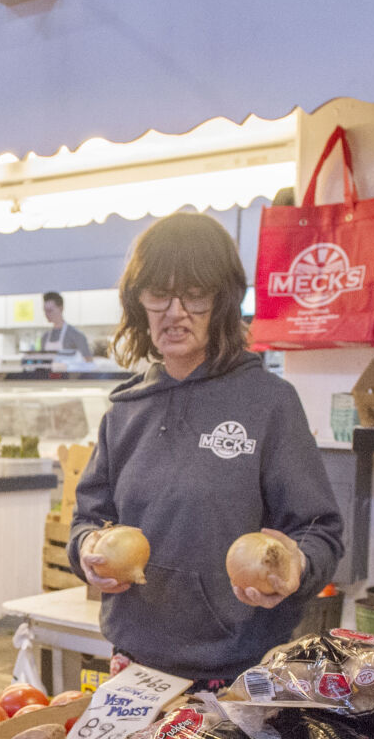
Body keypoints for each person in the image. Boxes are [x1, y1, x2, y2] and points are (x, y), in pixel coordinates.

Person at [67, 212, 344, 689]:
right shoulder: (125, 411)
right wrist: (87, 552)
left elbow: (320, 531)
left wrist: (297, 566)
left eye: (194, 293)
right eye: (158, 294)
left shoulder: (269, 403)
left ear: (223, 301)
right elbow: (88, 521)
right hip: (134, 665)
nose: (174, 312)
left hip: (239, 671)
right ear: (139, 303)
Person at [40, 291, 92, 359]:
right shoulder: (45, 337)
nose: (46, 314)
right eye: (45, 311)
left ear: (61, 308)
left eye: (50, 311)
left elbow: (89, 361)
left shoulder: (76, 335)